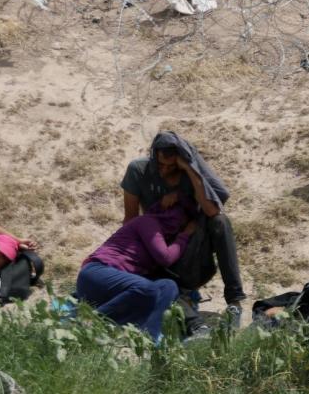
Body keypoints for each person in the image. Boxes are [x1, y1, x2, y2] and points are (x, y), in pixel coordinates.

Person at [122, 131, 245, 332]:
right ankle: (192, 319)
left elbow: (213, 211)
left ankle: (235, 301)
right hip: (157, 250)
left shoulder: (190, 174)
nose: (164, 170)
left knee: (220, 222)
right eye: (161, 165)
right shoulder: (138, 170)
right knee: (155, 286)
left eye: (171, 166)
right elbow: (130, 220)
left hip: (192, 252)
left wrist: (189, 169)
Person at [77, 198, 196, 340]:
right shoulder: (147, 222)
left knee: (168, 286)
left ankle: (148, 337)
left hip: (118, 291)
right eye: (180, 216)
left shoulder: (163, 235)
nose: (179, 223)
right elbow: (165, 258)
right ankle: (91, 322)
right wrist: (185, 236)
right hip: (96, 273)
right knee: (147, 288)